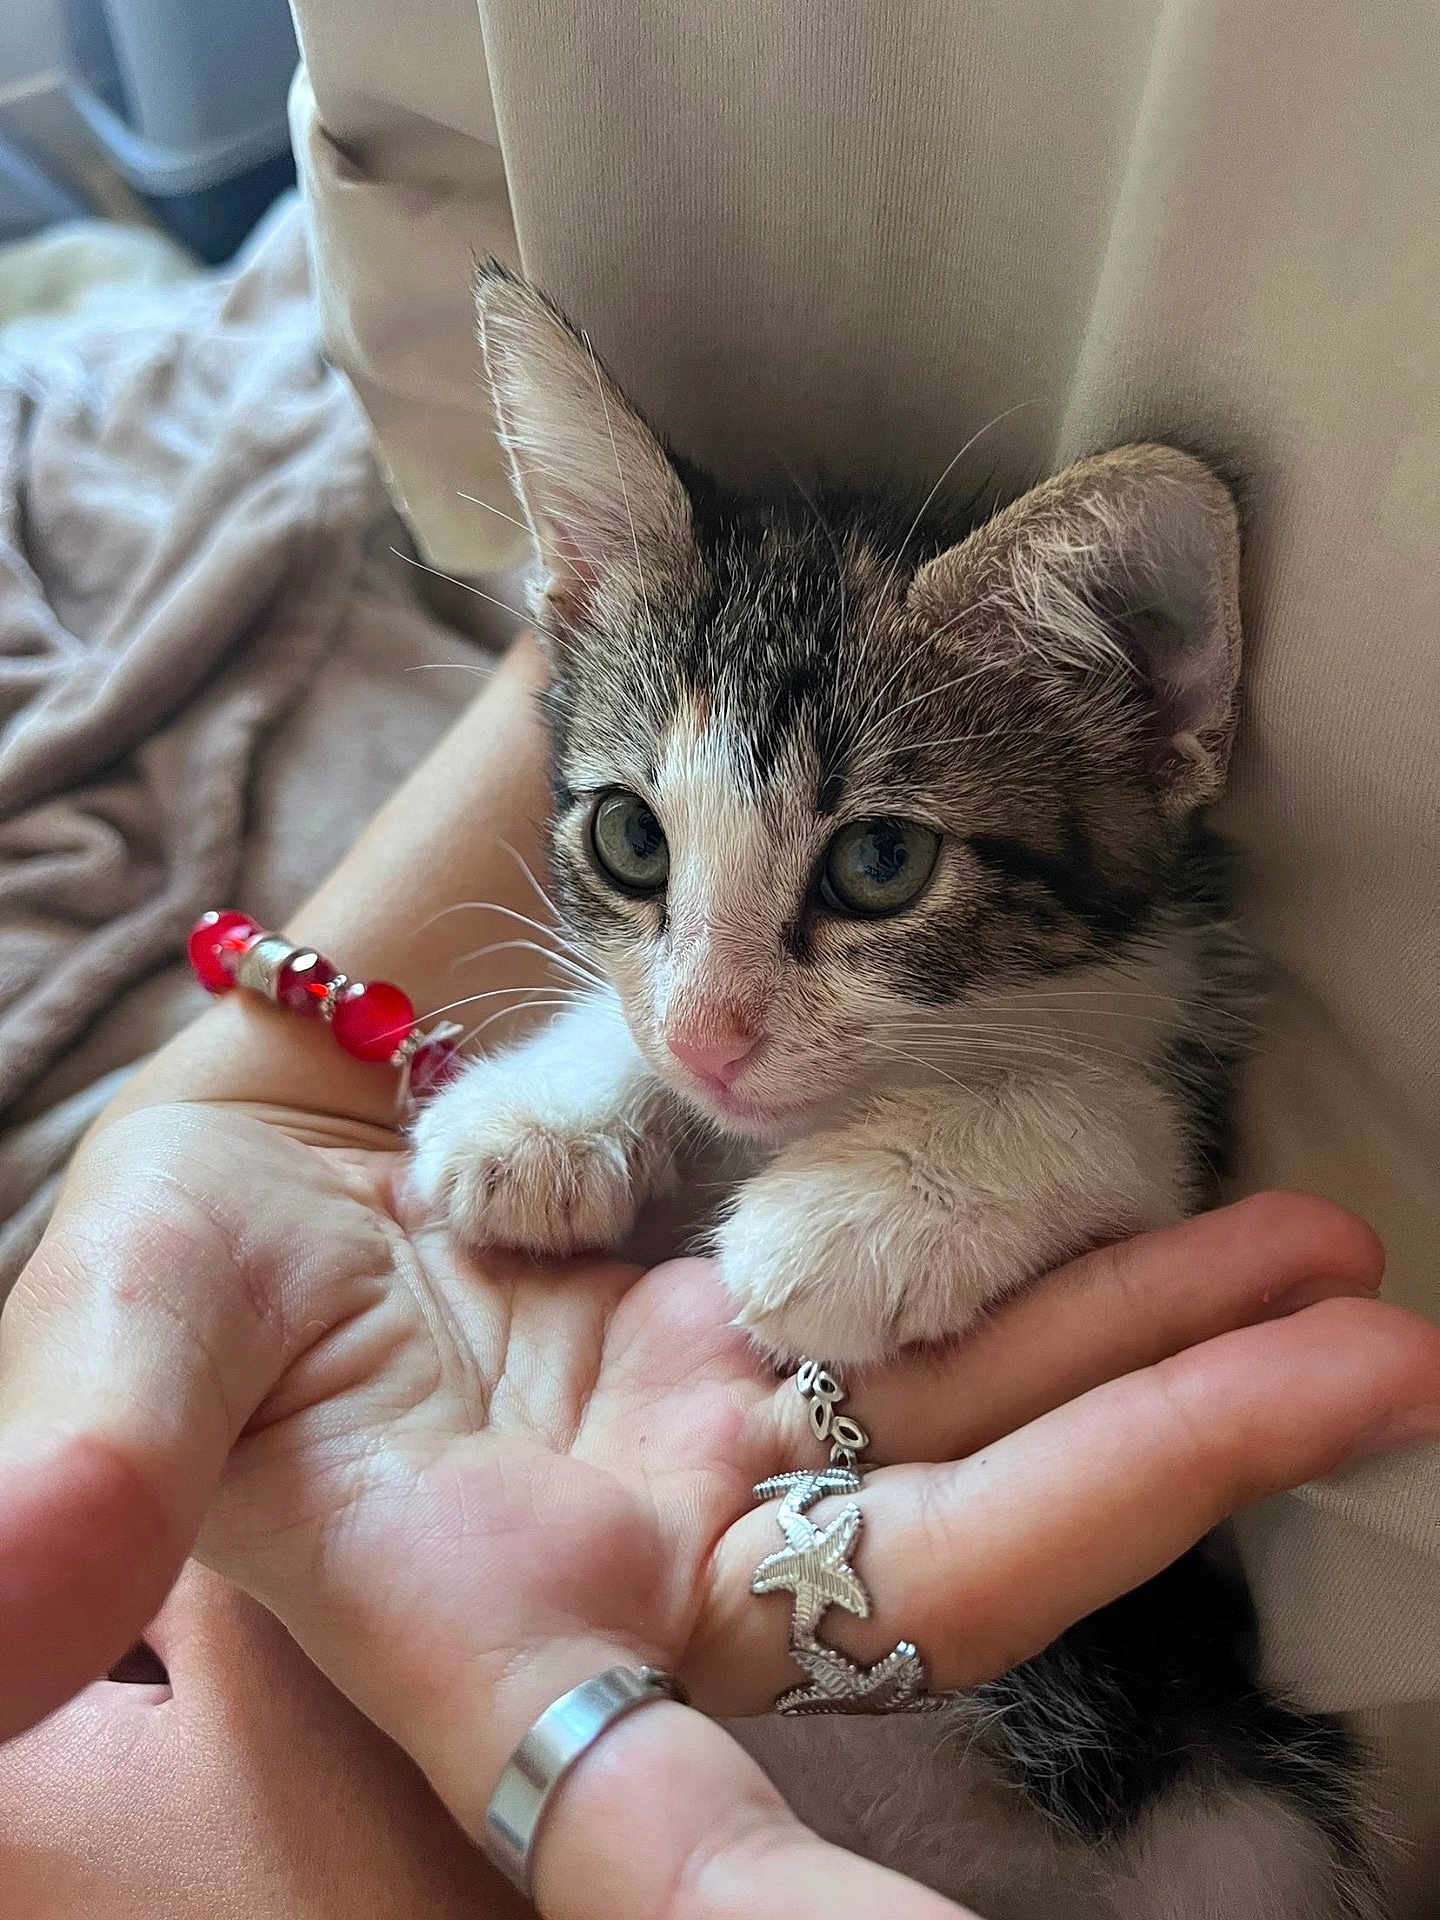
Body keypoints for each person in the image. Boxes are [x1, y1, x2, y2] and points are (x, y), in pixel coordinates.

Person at [2, 638, 1437, 1918]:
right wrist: (324, 1094)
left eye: (875, 862)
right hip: (661, 1651)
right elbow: (565, 699)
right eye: (635, 843)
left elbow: (1123, 1129)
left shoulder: (1109, 1012)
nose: (704, 1025)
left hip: (1123, 1776)